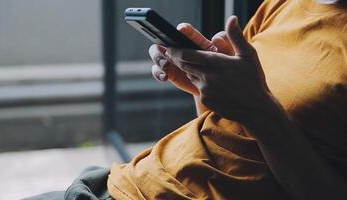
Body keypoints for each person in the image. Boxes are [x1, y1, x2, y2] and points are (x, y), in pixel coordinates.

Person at [107, 0, 347, 199]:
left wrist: (258, 108)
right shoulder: (284, 4)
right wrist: (200, 86)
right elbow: (233, 136)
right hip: (130, 181)